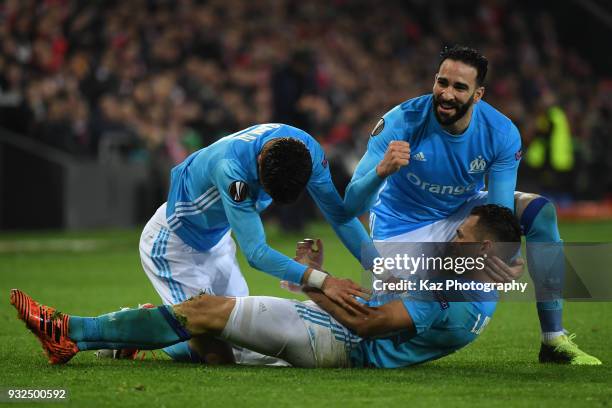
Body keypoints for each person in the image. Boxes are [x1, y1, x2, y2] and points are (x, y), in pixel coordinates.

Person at [13, 205, 521, 368]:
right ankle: (128, 343)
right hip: (334, 335)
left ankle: (69, 332)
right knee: (210, 337)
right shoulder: (475, 283)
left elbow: (367, 324)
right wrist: (315, 283)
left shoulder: (447, 293)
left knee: (205, 311)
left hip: (338, 343)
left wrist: (314, 285)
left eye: (461, 234)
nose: (451, 236)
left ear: (483, 250)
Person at [343, 45, 600, 365]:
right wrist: (381, 172)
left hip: (462, 215)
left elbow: (500, 214)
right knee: (449, 313)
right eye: (442, 82)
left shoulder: (501, 133)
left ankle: (554, 339)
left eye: (459, 87)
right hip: (401, 229)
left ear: (478, 94)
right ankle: (362, 336)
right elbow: (350, 204)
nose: (447, 94)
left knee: (540, 212)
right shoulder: (401, 122)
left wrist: (508, 257)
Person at [129, 123, 371, 363]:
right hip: (174, 245)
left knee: (240, 341)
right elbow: (255, 253)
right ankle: (134, 327)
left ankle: (155, 322)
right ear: (259, 163)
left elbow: (340, 217)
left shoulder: (308, 151)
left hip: (218, 240)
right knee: (214, 354)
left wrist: (381, 271)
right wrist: (322, 280)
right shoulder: (231, 169)